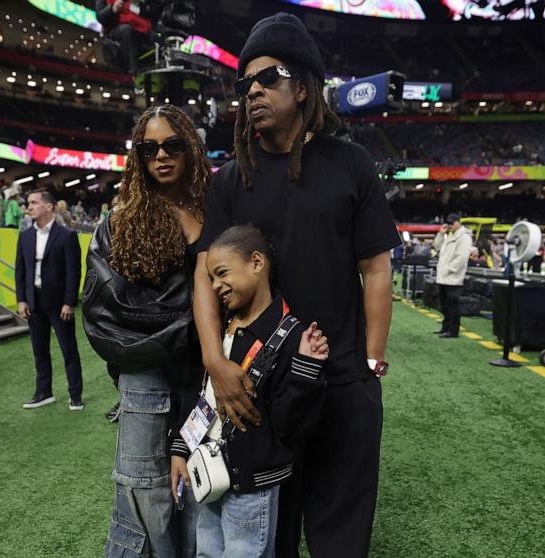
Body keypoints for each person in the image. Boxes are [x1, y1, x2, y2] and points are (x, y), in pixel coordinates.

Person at [193, 14, 400, 557]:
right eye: (245, 83)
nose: (253, 90)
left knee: (341, 543)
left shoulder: (351, 164)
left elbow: (376, 269)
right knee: (265, 542)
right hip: (259, 393)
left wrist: (371, 367)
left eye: (269, 77)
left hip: (342, 385)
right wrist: (217, 364)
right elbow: (203, 276)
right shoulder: (231, 179)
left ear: (304, 86)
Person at [93, 104, 211, 557]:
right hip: (147, 378)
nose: (161, 156)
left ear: (191, 148)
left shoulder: (216, 208)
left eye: (172, 145)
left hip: (207, 374)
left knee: (203, 486)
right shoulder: (122, 222)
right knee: (146, 493)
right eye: (149, 148)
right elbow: (109, 313)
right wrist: (189, 325)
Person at [170, 225, 328, 557]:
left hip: (252, 484)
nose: (215, 286)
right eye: (211, 278)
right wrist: (181, 447)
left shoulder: (291, 336)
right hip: (209, 475)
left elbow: (291, 425)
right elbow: (206, 399)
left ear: (256, 263)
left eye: (222, 274)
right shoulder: (221, 328)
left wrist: (306, 369)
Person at [15, 190, 83, 410]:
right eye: (28, 203)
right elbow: (20, 270)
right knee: (39, 350)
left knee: (68, 350)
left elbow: (74, 271)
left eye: (34, 203)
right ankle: (44, 392)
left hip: (58, 303)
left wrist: (69, 302)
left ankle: (75, 395)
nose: (29, 206)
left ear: (49, 206)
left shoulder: (66, 235)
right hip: (33, 301)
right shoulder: (24, 236)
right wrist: (21, 299)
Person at [432, 213, 472, 339]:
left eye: (452, 223)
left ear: (459, 222)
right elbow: (437, 247)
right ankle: (446, 327)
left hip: (453, 278)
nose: (450, 226)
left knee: (452, 305)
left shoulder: (464, 237)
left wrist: (450, 269)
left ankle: (453, 331)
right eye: (448, 223)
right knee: (444, 305)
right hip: (444, 277)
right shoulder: (450, 235)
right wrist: (440, 233)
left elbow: (461, 257)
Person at [95, 0, 152, 74]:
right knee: (127, 30)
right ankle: (132, 70)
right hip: (116, 30)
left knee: (155, 37)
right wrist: (112, 9)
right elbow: (100, 16)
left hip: (139, 30)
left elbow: (143, 13)